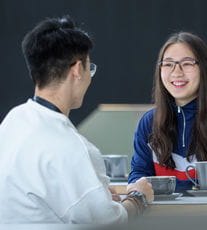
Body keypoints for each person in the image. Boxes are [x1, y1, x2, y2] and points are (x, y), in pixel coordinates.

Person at [0, 16, 153, 224]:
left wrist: (98, 197)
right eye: (90, 68)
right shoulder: (72, 148)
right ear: (77, 70)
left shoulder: (13, 120)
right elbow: (107, 223)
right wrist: (138, 197)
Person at [128, 32, 207, 193]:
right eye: (168, 64)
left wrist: (163, 188)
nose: (177, 72)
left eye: (187, 63)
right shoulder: (149, 122)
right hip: (161, 218)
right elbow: (138, 178)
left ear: (204, 68)